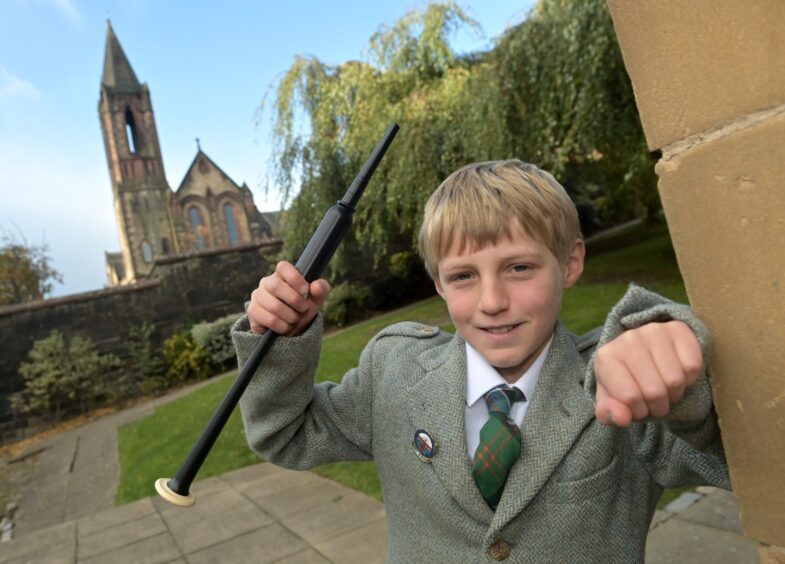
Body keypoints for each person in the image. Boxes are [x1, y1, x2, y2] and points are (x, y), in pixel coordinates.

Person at [232, 160, 728, 563]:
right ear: (438, 285)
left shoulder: (617, 384)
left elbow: (727, 457)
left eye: (519, 267)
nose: (492, 301)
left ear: (570, 262)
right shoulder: (394, 372)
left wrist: (683, 381)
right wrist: (281, 341)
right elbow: (286, 434)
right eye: (464, 276)